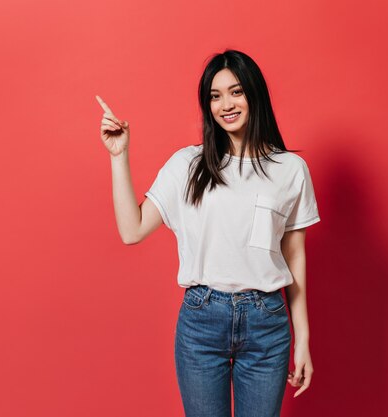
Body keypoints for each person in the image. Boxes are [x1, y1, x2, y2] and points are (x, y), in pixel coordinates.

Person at [95, 49, 320, 417]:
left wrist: (304, 339)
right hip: (202, 321)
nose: (225, 104)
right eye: (215, 96)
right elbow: (131, 231)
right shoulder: (189, 164)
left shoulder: (290, 169)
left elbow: (295, 257)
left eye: (235, 92)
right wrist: (119, 157)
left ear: (254, 94)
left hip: (267, 323)